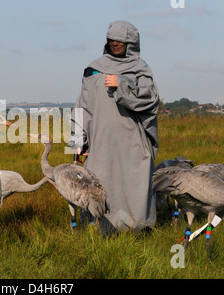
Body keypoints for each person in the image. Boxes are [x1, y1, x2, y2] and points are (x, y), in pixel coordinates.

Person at [68, 21, 159, 234]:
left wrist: (123, 85)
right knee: (100, 184)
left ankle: (137, 230)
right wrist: (77, 141)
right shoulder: (94, 70)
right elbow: (82, 106)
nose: (115, 43)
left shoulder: (140, 70)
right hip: (101, 141)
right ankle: (100, 230)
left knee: (134, 186)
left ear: (132, 44)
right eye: (111, 40)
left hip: (133, 142)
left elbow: (150, 102)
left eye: (121, 41)